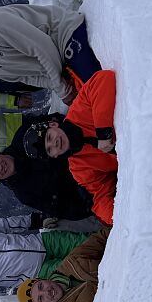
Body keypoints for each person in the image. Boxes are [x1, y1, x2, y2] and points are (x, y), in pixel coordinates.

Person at [20, 70, 118, 225]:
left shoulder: (78, 111)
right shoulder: (78, 168)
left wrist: (104, 133)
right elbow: (100, 196)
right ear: (54, 156)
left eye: (50, 137)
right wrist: (118, 219)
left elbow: (103, 78)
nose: (55, 143)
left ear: (53, 125)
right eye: (50, 149)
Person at [0, 149, 102, 229]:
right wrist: (89, 200)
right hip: (94, 192)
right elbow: (66, 209)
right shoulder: (24, 193)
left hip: (93, 157)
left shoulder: (23, 142)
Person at [16, 228, 110, 302]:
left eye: (40, 286)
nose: (46, 292)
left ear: (43, 279)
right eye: (40, 298)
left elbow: (100, 238)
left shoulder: (71, 263)